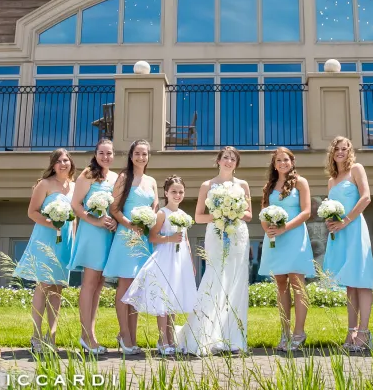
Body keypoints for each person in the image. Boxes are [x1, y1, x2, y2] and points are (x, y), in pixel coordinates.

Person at [177, 147, 252, 356]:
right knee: (214, 280)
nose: (229, 161)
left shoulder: (243, 185)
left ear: (236, 164)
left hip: (238, 236)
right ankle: (205, 336)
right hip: (216, 234)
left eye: (233, 159)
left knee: (236, 282)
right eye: (225, 157)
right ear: (218, 160)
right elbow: (199, 217)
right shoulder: (207, 185)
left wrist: (234, 212)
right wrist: (219, 214)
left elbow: (249, 214)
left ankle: (232, 339)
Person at [122, 175, 198, 357]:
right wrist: (170, 239)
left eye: (180, 192)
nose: (177, 195)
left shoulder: (183, 215)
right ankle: (162, 339)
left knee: (173, 298)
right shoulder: (162, 213)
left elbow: (186, 239)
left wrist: (191, 261)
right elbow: (153, 237)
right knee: (163, 299)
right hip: (165, 258)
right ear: (166, 192)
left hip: (180, 260)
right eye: (173, 192)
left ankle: (171, 338)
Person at [14, 148, 76, 354]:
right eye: (59, 161)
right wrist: (51, 223)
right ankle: (36, 336)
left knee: (57, 288)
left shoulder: (75, 187)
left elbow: (75, 218)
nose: (63, 164)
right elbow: (32, 212)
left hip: (65, 242)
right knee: (44, 285)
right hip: (45, 238)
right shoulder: (45, 185)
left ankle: (52, 336)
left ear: (71, 163)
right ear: (53, 165)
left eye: (66, 160)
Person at [102, 140, 158, 355]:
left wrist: (148, 221)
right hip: (127, 235)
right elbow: (114, 208)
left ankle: (132, 337)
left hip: (143, 238)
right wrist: (130, 225)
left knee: (136, 290)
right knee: (125, 286)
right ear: (131, 155)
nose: (141, 157)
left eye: (144, 154)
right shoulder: (123, 178)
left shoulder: (152, 181)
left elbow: (154, 207)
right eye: (137, 153)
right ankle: (124, 333)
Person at [257, 147, 315, 352]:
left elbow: (306, 211)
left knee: (298, 283)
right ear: (274, 164)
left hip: (294, 235)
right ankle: (285, 332)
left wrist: (284, 228)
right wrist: (269, 230)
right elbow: (263, 211)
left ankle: (299, 332)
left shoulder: (301, 182)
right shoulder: (269, 186)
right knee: (281, 284)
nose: (283, 163)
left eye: (286, 160)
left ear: (292, 161)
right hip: (275, 239)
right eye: (279, 160)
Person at [321, 136, 373, 352]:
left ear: (349, 151)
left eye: (344, 149)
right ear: (332, 153)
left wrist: (345, 221)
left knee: (361, 279)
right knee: (349, 282)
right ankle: (351, 330)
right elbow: (332, 205)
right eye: (337, 149)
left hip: (353, 228)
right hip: (339, 232)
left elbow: (366, 198)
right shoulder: (332, 180)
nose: (340, 152)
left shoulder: (356, 169)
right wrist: (330, 219)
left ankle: (364, 332)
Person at [68, 139, 118, 356]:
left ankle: (91, 333)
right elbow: (76, 205)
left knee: (99, 284)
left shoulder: (115, 177)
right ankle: (85, 335)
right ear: (95, 154)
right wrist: (96, 221)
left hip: (108, 234)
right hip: (92, 232)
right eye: (101, 153)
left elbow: (116, 206)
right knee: (89, 283)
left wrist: (115, 220)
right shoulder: (87, 175)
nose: (105, 157)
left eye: (109, 153)